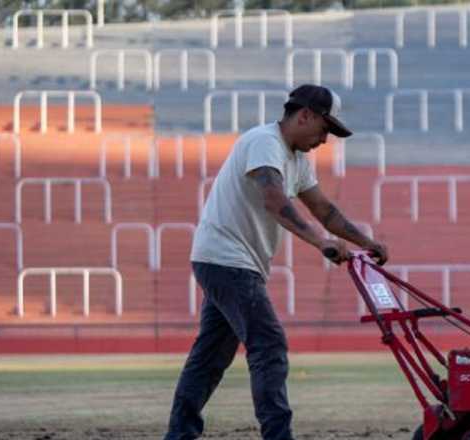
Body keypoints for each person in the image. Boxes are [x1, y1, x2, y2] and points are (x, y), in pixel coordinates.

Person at [163, 84, 388, 440]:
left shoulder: (298, 160)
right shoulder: (264, 142)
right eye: (324, 129)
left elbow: (323, 210)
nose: (325, 140)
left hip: (232, 261)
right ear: (305, 116)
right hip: (226, 259)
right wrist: (321, 244)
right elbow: (273, 199)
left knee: (210, 358)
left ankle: (179, 434)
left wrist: (366, 241)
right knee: (268, 345)